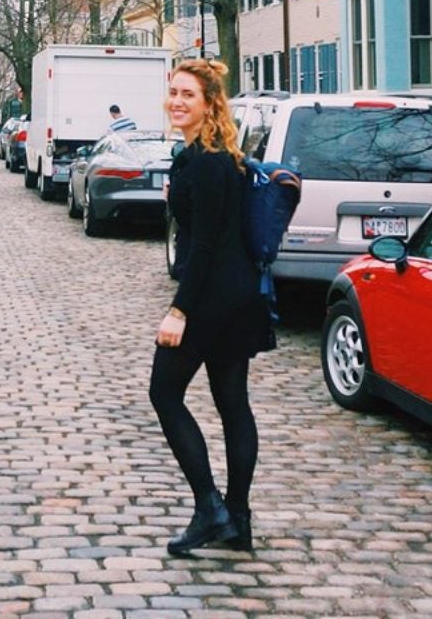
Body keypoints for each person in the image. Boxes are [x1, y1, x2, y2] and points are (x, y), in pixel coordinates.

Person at [150, 58, 272, 557]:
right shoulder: (214, 155)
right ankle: (237, 521)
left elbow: (202, 248)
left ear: (210, 104)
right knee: (231, 405)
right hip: (237, 295)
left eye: (188, 95)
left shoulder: (206, 160)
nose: (177, 101)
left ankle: (210, 507)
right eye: (174, 92)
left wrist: (178, 311)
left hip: (212, 299)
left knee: (164, 392)